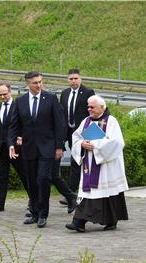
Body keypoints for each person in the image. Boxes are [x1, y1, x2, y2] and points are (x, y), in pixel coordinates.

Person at [8, 71, 64, 228]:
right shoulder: (20, 101)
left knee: (43, 179)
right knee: (31, 181)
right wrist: (11, 143)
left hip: (47, 148)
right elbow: (14, 125)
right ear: (27, 84)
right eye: (35, 83)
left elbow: (59, 124)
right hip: (28, 148)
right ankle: (33, 212)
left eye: (40, 82)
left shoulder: (51, 99)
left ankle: (43, 214)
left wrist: (59, 146)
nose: (38, 85)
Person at [66, 95, 129, 232]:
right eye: (88, 106)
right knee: (88, 193)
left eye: (92, 107)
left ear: (102, 107)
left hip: (106, 165)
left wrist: (94, 144)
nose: (89, 109)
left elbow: (117, 142)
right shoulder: (86, 121)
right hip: (89, 164)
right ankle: (78, 222)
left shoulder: (111, 121)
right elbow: (76, 137)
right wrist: (81, 143)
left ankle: (110, 220)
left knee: (109, 193)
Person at [60, 69, 95, 201]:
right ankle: (72, 192)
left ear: (80, 79)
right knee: (73, 161)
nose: (73, 81)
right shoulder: (64, 93)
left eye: (75, 78)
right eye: (71, 79)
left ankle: (73, 192)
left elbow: (92, 113)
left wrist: (89, 134)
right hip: (68, 132)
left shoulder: (88, 92)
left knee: (77, 162)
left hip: (83, 134)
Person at [0, 83, 28, 211]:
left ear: (10, 92)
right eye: (0, 95)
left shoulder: (18, 107)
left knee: (24, 174)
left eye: (5, 94)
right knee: (2, 176)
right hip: (1, 148)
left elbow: (24, 124)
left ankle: (33, 200)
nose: (2, 97)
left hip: (16, 148)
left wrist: (21, 137)